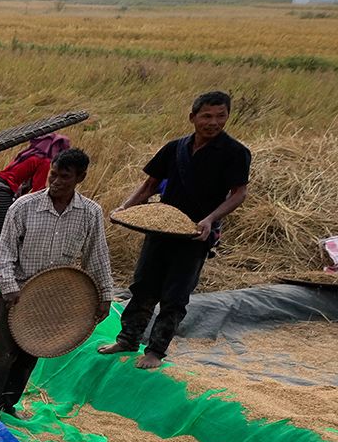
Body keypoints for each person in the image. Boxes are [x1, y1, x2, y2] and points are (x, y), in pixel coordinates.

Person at [99, 91, 251, 369]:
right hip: (161, 229)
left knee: (175, 294)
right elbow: (149, 186)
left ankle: (156, 350)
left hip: (195, 234)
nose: (213, 122)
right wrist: (124, 209)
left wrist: (210, 219)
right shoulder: (175, 148)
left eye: (221, 116)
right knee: (143, 285)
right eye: (207, 116)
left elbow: (238, 193)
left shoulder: (235, 153)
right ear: (193, 117)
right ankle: (128, 339)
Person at [0, 148, 116, 420]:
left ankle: (7, 403)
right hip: (17, 290)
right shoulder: (23, 206)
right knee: (2, 350)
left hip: (52, 295)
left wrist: (105, 295)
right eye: (53, 174)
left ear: (80, 178)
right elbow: (4, 253)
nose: (55, 181)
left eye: (64, 177)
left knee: (31, 351)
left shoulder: (89, 213)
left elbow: (96, 256)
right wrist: (8, 288)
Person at [0, 133, 72, 269]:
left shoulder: (30, 154)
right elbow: (39, 190)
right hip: (1, 196)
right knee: (3, 242)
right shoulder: (44, 161)